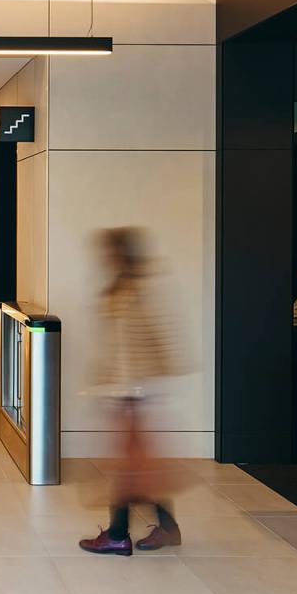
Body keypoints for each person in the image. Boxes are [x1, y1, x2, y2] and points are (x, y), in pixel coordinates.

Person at [81, 227, 181, 556]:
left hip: (132, 392)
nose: (105, 258)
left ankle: (117, 533)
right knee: (139, 466)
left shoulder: (131, 291)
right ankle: (165, 528)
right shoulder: (127, 287)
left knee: (130, 467)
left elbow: (132, 346)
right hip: (131, 390)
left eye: (110, 252)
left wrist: (122, 392)